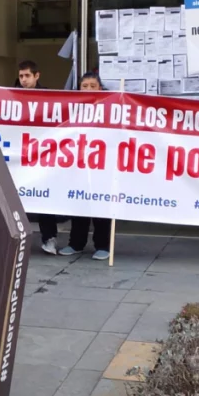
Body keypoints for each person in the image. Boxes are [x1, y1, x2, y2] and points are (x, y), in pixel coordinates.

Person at [57, 73, 112, 261]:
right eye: (84, 86)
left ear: (100, 89)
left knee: (101, 205)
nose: (88, 89)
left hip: (101, 164)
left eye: (92, 86)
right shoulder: (73, 109)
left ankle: (103, 245)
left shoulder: (110, 109)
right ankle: (76, 243)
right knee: (78, 204)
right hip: (78, 164)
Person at [15, 60, 59, 253]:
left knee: (44, 197)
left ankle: (49, 238)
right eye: (21, 76)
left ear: (37, 76)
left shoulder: (49, 97)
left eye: (27, 76)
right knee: (14, 199)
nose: (24, 80)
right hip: (18, 155)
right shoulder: (9, 96)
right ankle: (16, 238)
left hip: (41, 155)